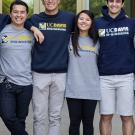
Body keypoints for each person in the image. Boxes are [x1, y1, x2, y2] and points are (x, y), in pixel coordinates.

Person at [26, 0, 75, 135]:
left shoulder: (69, 18)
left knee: (55, 116)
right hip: (39, 73)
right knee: (39, 116)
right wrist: (34, 28)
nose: (50, 1)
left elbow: (86, 23)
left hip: (60, 74)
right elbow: (23, 21)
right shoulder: (35, 19)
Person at [96, 0, 135, 135]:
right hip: (104, 77)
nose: (114, 4)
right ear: (107, 3)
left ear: (122, 4)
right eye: (111, 1)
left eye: (118, 1)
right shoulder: (97, 23)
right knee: (106, 116)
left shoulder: (131, 23)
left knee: (127, 116)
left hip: (126, 77)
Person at [0, 1, 35, 135]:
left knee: (20, 120)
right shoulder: (2, 31)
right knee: (8, 116)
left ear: (27, 15)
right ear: (10, 14)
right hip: (6, 83)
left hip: (26, 84)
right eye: (15, 12)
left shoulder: (31, 33)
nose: (18, 15)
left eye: (22, 12)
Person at [65, 10, 100, 135]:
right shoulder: (69, 39)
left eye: (87, 19)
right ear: (76, 21)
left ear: (92, 23)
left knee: (88, 122)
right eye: (81, 19)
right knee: (74, 122)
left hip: (91, 88)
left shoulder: (97, 41)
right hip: (73, 88)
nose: (84, 21)